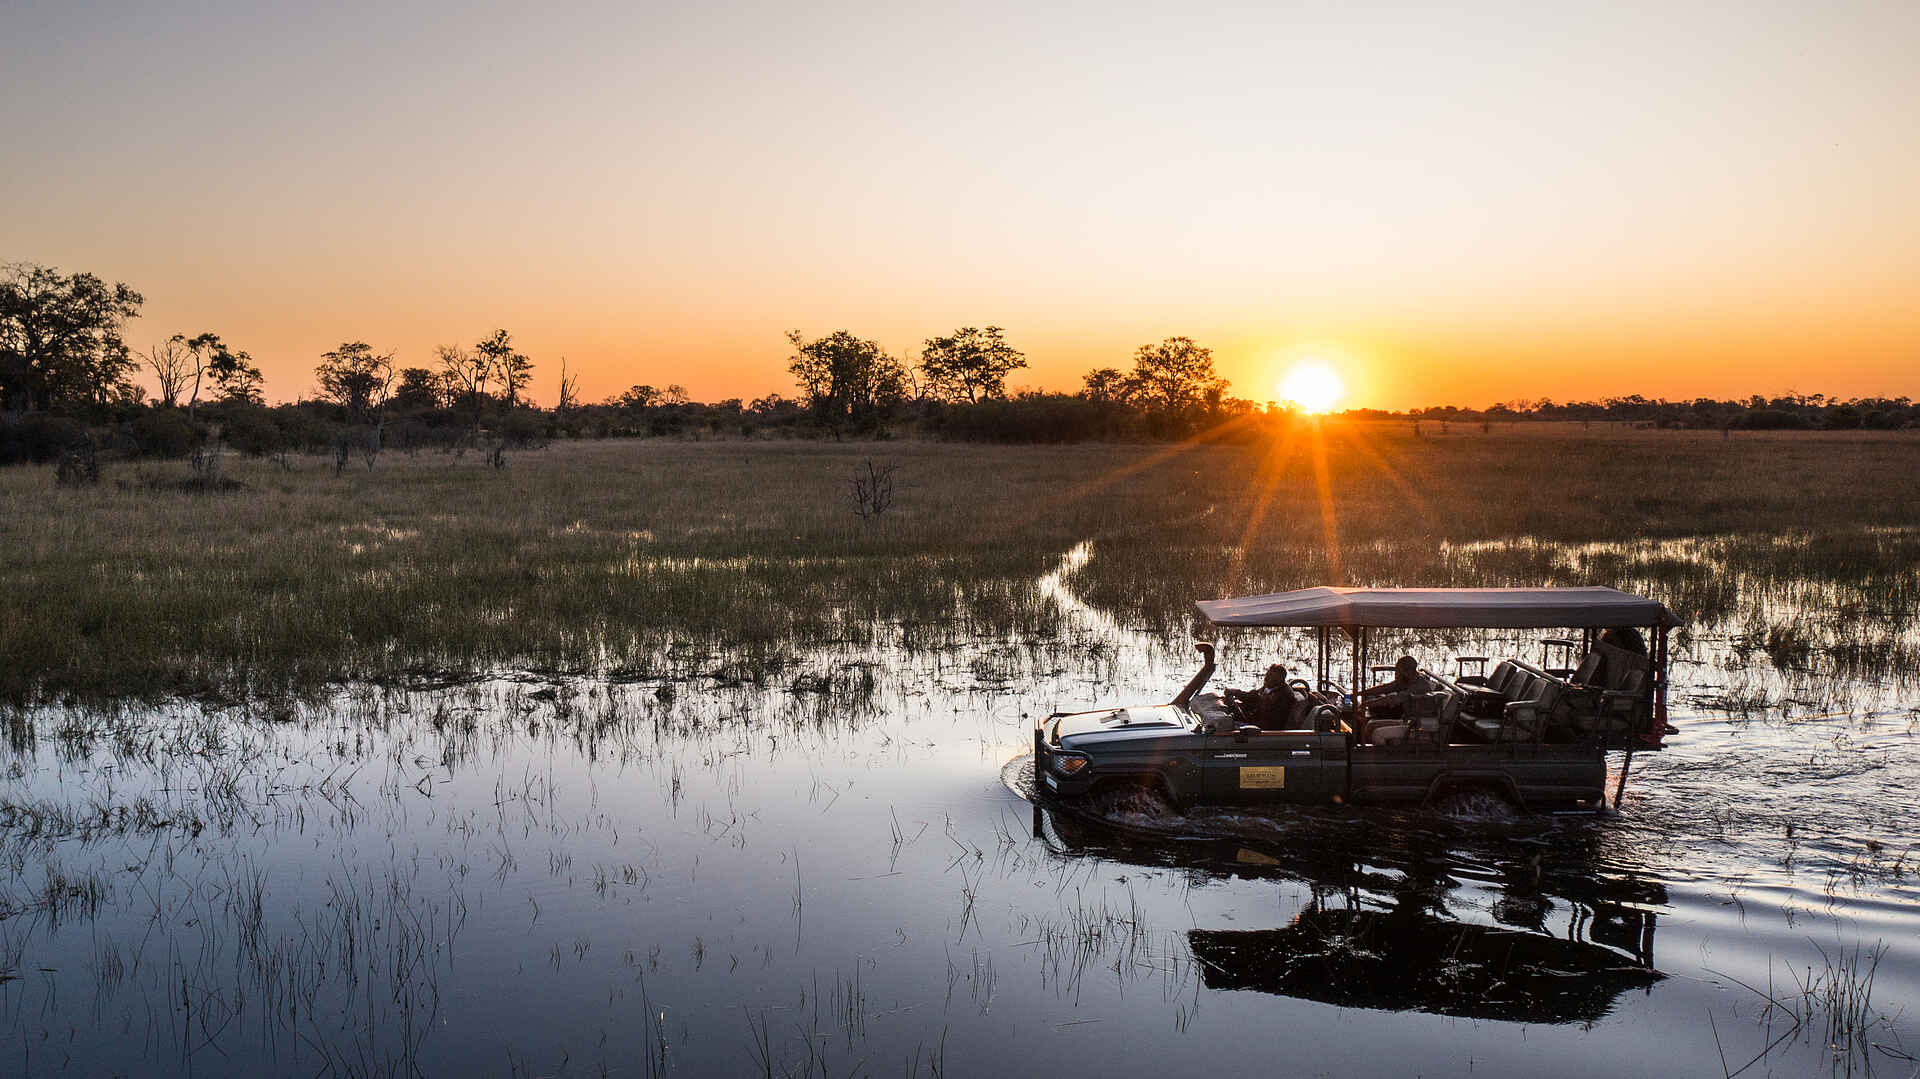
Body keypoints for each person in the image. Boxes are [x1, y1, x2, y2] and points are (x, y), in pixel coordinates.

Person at [1224, 664, 1297, 729]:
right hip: (1257, 721)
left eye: (1270, 676)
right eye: (1267, 675)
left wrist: (1247, 718)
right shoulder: (1270, 688)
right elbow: (1251, 696)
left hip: (1267, 729)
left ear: (1279, 679)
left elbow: (1272, 718)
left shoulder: (1283, 695)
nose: (1266, 678)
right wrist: (1235, 692)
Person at [1361, 655, 1432, 718]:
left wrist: (1366, 704)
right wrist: (1360, 693)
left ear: (1407, 672)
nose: (1397, 674)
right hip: (1404, 709)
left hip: (1410, 717)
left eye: (1398, 671)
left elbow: (1394, 699)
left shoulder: (1419, 686)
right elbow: (1387, 687)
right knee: (1369, 697)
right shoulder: (1408, 679)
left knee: (1371, 722)